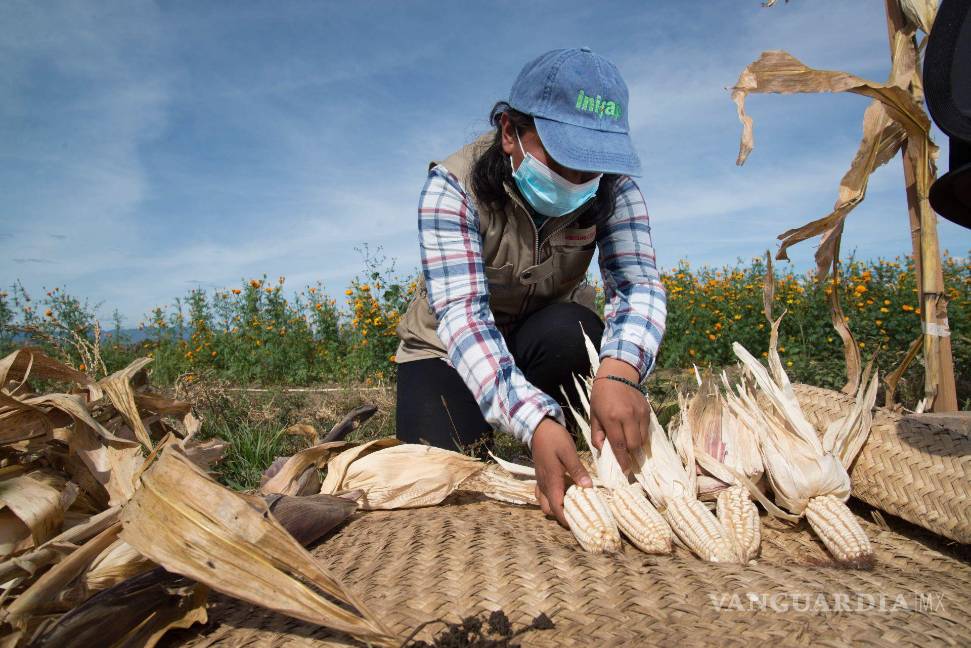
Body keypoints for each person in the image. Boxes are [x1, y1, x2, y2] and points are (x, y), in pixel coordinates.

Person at [394, 48, 667, 527]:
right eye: (563, 157)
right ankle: (538, 428)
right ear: (510, 133)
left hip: (542, 335)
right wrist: (533, 420)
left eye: (592, 165)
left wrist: (621, 371)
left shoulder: (615, 190)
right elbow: (463, 316)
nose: (577, 179)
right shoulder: (452, 187)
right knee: (441, 460)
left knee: (573, 331)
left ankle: (565, 434)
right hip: (448, 350)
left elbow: (637, 286)